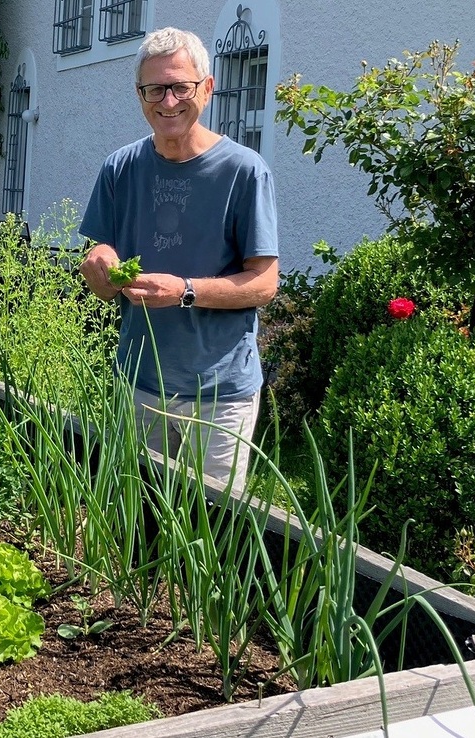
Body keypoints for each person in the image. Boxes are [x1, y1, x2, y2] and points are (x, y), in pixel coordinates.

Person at [78, 27, 279, 492]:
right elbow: (101, 264)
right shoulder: (119, 168)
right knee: (137, 523)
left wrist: (185, 291)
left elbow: (264, 284)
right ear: (140, 95)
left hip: (219, 393)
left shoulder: (244, 171)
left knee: (210, 537)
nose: (167, 102)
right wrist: (102, 264)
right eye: (154, 89)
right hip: (140, 384)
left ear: (206, 88)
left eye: (180, 87)